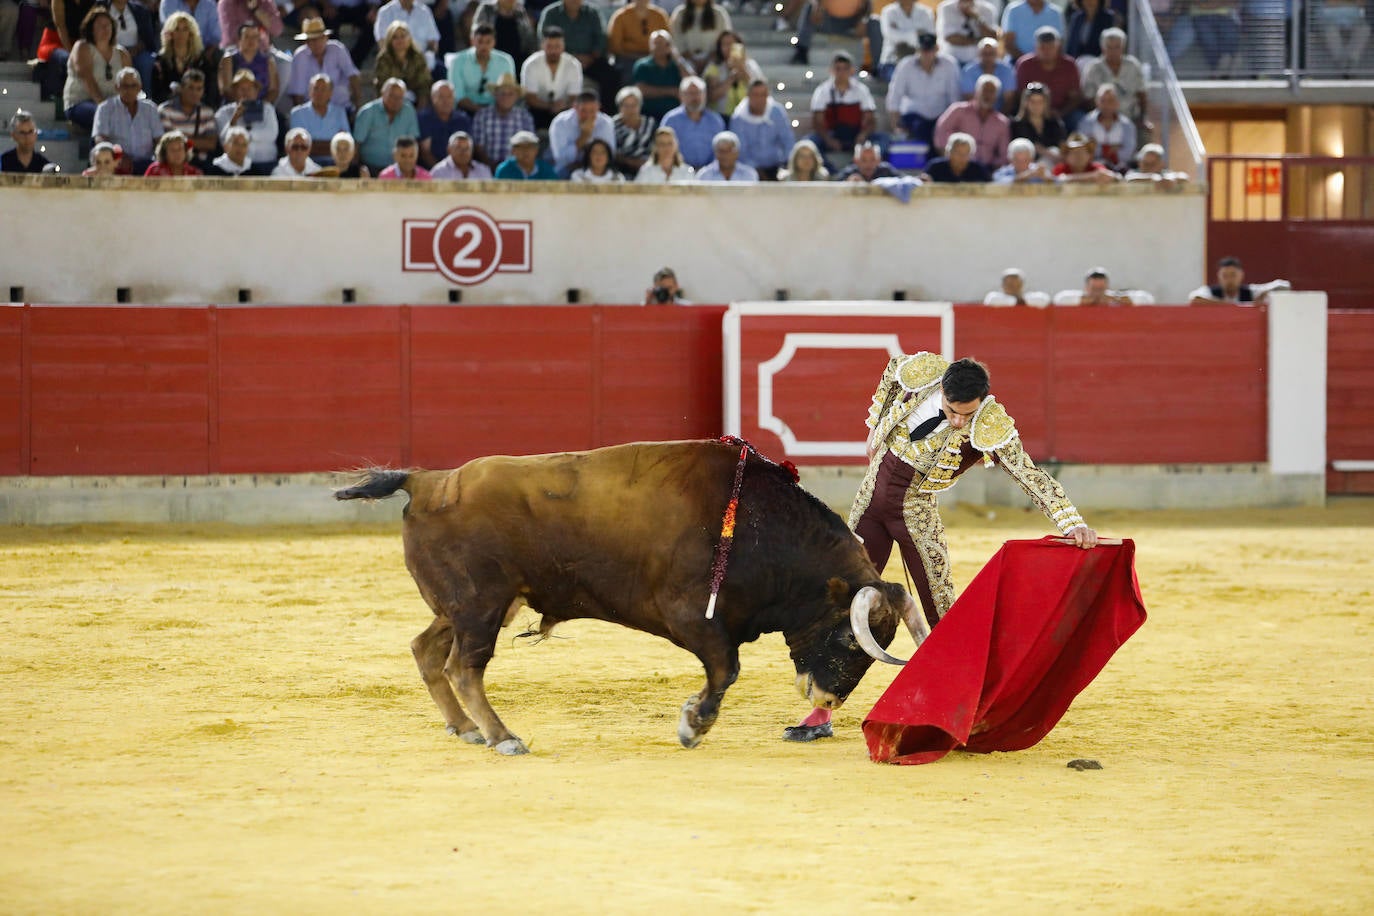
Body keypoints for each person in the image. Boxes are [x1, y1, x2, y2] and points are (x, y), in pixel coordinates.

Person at [785, 353, 1098, 742]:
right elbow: (892, 371)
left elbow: (1028, 473)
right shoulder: (922, 374)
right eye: (952, 411)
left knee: (941, 613)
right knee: (845, 605)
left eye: (968, 414)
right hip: (869, 505)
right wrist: (876, 429)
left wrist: (1072, 522)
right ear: (941, 390)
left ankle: (968, 709)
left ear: (983, 399)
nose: (959, 422)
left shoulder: (990, 424)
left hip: (915, 517)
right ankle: (821, 710)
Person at [537, 0, 618, 114]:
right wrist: (572, 58)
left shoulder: (593, 12)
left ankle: (605, 115)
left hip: (590, 60)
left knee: (610, 75)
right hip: (560, 60)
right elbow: (544, 39)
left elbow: (601, 38)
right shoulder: (551, 13)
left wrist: (591, 56)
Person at [884, 34, 959, 149]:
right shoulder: (905, 65)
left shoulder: (949, 65)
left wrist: (952, 123)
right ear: (917, 49)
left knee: (940, 132)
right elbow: (894, 97)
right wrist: (896, 126)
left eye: (930, 50)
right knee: (919, 128)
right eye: (923, 50)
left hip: (940, 116)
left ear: (937, 49)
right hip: (913, 115)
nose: (927, 54)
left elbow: (954, 98)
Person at [63, 7, 131, 131]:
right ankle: (100, 150)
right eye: (100, 26)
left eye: (108, 25)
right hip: (80, 102)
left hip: (113, 104)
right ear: (91, 29)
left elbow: (129, 82)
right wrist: (103, 105)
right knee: (103, 116)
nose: (105, 29)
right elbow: (87, 78)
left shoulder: (122, 53)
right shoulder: (82, 47)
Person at [812, 50, 880, 160]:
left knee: (882, 141)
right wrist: (829, 140)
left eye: (845, 68)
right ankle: (829, 171)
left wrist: (862, 135)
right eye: (838, 69)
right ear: (832, 70)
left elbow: (870, 119)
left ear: (851, 70)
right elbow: (817, 122)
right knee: (811, 143)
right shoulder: (822, 91)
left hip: (856, 134)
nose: (841, 73)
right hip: (832, 135)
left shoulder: (861, 90)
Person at [95, 66, 164, 173]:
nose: (129, 90)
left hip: (147, 163)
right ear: (117, 87)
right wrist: (118, 155)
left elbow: (159, 139)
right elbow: (100, 139)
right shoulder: (105, 108)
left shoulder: (150, 108)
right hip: (117, 162)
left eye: (133, 86)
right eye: (125, 86)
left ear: (140, 87)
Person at [933, 73, 1010, 169]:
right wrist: (950, 157)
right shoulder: (958, 110)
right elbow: (941, 132)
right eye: (985, 90)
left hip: (987, 169)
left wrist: (994, 167)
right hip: (958, 165)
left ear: (996, 96)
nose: (988, 95)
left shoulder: (1002, 122)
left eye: (992, 92)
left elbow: (1004, 153)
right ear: (976, 92)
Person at [1014, 26, 1083, 132]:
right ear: (1035, 47)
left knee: (1078, 119)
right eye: (1042, 47)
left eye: (1050, 47)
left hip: (1062, 112)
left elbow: (1075, 97)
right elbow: (1021, 95)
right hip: (1031, 112)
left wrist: (1060, 113)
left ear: (1058, 47)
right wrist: (1038, 112)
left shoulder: (1069, 65)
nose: (1046, 51)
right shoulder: (1025, 65)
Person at [287, 18, 361, 112]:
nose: (316, 43)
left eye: (319, 38)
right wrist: (302, 116)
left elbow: (353, 76)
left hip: (342, 108)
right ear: (306, 42)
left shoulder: (337, 49)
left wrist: (358, 106)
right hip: (313, 113)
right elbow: (297, 92)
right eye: (312, 40)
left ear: (326, 38)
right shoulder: (300, 56)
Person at [1080, 27, 1148, 129]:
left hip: (1130, 117)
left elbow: (1142, 94)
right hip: (1101, 120)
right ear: (1103, 48)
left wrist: (1142, 118)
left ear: (1123, 48)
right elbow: (1088, 99)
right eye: (1109, 47)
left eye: (1117, 47)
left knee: (1145, 133)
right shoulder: (1093, 68)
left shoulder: (1133, 65)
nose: (1113, 51)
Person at [150, 12, 221, 107]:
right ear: (170, 33)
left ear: (191, 34)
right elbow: (157, 93)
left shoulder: (201, 60)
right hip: (170, 108)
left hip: (198, 106)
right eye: (177, 29)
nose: (181, 34)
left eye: (185, 29)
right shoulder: (161, 60)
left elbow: (209, 90)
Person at [354, 77, 422, 173]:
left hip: (399, 170)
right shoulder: (367, 112)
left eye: (400, 98)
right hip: (370, 168)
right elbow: (356, 145)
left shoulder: (409, 111)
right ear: (382, 93)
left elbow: (413, 142)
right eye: (392, 96)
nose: (396, 101)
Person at [521, 26, 583, 130]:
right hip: (538, 110)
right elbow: (530, 98)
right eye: (549, 46)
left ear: (563, 46)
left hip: (565, 110)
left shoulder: (573, 65)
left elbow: (574, 97)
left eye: (557, 46)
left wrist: (563, 105)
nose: (553, 51)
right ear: (542, 46)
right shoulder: (531, 64)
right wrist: (550, 106)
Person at [728, 79, 792, 180]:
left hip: (777, 167)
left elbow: (788, 140)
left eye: (763, 95)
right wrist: (757, 172)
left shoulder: (777, 111)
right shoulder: (738, 118)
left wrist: (787, 164)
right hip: (749, 170)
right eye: (756, 95)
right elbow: (741, 152)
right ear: (748, 95)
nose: (760, 99)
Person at [214, 68, 280, 166]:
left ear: (256, 91)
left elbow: (271, 134)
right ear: (234, 92)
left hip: (265, 163)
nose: (246, 93)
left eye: (249, 89)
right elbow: (223, 140)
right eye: (242, 89)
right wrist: (234, 118)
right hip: (236, 165)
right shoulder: (223, 112)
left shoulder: (267, 109)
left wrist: (245, 136)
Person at [790, 0, 880, 69]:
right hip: (828, 21)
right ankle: (801, 51)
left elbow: (868, 6)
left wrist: (864, 19)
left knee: (875, 22)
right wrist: (817, 6)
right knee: (809, 7)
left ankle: (878, 67)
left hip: (852, 24)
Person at [660, 75, 726, 170]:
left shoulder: (715, 120)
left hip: (710, 173)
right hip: (678, 171)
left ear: (705, 95)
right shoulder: (671, 120)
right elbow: (664, 149)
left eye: (698, 93)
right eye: (690, 93)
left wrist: (707, 170)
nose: (694, 97)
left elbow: (721, 149)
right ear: (681, 95)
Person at [449, 23, 516, 114]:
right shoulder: (458, 61)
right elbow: (458, 96)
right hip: (466, 110)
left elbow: (509, 91)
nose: (484, 46)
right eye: (480, 41)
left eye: (488, 42)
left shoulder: (505, 61)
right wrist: (481, 112)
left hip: (498, 110)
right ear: (472, 41)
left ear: (494, 42)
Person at [471, 71, 535, 165]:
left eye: (510, 94)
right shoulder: (482, 115)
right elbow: (478, 148)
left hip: (517, 168)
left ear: (516, 96)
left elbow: (529, 146)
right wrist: (491, 166)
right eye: (502, 93)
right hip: (488, 167)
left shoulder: (525, 117)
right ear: (495, 94)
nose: (506, 97)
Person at [549, 88, 616, 176]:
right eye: (583, 111)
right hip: (567, 169)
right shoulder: (560, 123)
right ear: (575, 107)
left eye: (592, 111)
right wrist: (584, 136)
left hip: (597, 170)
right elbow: (561, 158)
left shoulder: (606, 123)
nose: (588, 116)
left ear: (598, 107)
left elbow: (609, 155)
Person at [632, 29, 694, 123]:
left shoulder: (678, 65)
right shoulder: (642, 65)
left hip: (677, 115)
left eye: (663, 43)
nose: (659, 47)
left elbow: (692, 81)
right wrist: (671, 91)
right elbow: (642, 90)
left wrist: (677, 58)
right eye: (655, 43)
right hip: (650, 115)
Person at [608, 0, 672, 82]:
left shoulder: (659, 15)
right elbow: (615, 46)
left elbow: (668, 41)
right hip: (628, 58)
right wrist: (636, 56)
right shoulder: (621, 16)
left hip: (655, 57)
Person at [703, 30, 763, 118]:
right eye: (725, 44)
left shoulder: (751, 65)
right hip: (722, 115)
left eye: (732, 44)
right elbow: (711, 97)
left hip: (747, 114)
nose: (729, 48)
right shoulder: (713, 68)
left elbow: (760, 90)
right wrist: (731, 78)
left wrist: (742, 70)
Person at [290, 73, 352, 159]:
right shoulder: (297, 113)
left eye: (323, 89)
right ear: (309, 91)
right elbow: (300, 146)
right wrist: (334, 146)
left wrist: (314, 144)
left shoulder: (340, 112)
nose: (319, 93)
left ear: (330, 93)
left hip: (335, 163)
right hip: (308, 164)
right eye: (315, 88)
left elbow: (346, 143)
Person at [375, 20, 433, 109]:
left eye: (403, 36)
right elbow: (382, 85)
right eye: (395, 37)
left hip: (415, 100)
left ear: (409, 39)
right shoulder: (383, 58)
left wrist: (421, 108)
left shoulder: (418, 56)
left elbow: (424, 84)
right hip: (390, 101)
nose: (400, 40)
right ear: (390, 40)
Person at [1188, 256, 1291, 305]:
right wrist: (1237, 306)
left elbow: (1284, 286)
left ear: (1241, 275)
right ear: (1218, 276)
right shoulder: (1210, 291)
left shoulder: (1250, 291)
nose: (1229, 279)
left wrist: (1265, 293)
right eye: (1225, 275)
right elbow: (1194, 300)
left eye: (1233, 275)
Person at [218, 22, 279, 105]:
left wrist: (260, 106)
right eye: (247, 37)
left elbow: (273, 90)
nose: (251, 40)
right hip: (234, 107)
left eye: (254, 37)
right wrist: (243, 106)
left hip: (261, 107)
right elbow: (225, 90)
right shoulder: (228, 60)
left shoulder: (269, 61)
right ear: (239, 40)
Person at [1078, 83, 1136, 169]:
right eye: (1102, 101)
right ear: (1096, 102)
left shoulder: (1127, 125)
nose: (1106, 105)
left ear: (1117, 103)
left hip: (1122, 167)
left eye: (1110, 101)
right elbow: (1084, 150)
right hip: (1093, 167)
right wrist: (1114, 148)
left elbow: (1128, 152)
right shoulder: (1086, 122)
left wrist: (1098, 147)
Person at [416, 81, 472, 167]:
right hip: (431, 170)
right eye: (441, 97)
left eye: (449, 96)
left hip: (458, 168)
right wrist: (442, 172)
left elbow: (467, 150)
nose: (446, 101)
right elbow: (425, 152)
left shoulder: (463, 119)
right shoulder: (424, 118)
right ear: (433, 98)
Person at [877, 0, 936, 81]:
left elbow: (930, 38)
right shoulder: (888, 12)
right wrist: (917, 34)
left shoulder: (926, 12)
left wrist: (902, 35)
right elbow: (891, 36)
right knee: (900, 81)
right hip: (892, 61)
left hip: (920, 61)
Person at [374, 0, 441, 70]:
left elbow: (433, 41)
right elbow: (382, 43)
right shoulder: (385, 12)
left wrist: (428, 57)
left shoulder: (425, 11)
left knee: (440, 70)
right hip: (395, 63)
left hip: (422, 63)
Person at [1010, 80, 1065, 163]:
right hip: (1026, 165)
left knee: (1055, 150)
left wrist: (1044, 151)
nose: (1036, 106)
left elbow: (1062, 146)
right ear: (1026, 103)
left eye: (1040, 102)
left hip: (1053, 163)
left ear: (1046, 103)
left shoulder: (1054, 123)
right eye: (1032, 101)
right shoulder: (1017, 125)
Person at [671, 0, 732, 74]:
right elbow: (677, 40)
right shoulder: (680, 13)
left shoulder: (718, 13)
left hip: (713, 58)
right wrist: (692, 59)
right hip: (687, 59)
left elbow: (725, 38)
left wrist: (708, 59)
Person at [316, 0, 380, 67]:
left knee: (373, 26)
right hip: (332, 9)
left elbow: (373, 3)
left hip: (360, 9)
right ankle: (333, 62)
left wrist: (373, 9)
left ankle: (352, 63)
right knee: (329, 27)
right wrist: (326, 5)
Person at [959, 37, 1016, 112]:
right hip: (975, 114)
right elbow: (969, 98)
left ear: (997, 54)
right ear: (978, 54)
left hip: (1001, 114)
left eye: (991, 53)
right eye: (984, 53)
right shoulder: (969, 71)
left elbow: (1009, 100)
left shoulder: (1007, 70)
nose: (988, 57)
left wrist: (998, 119)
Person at [935, 0, 998, 66]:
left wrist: (977, 18)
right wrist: (978, 40)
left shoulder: (987, 9)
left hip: (980, 64)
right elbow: (950, 38)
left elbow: (992, 38)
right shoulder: (946, 8)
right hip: (953, 63)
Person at [612, 85, 656, 178]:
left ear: (640, 106)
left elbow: (656, 149)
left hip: (648, 170)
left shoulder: (650, 124)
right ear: (619, 107)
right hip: (620, 172)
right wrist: (630, 162)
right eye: (626, 106)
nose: (630, 110)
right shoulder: (612, 125)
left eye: (634, 105)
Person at [1318, 0, 1371, 73]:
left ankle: (1351, 61)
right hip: (1330, 22)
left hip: (1354, 21)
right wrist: (1351, 3)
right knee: (1330, 30)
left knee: (1364, 29)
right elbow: (1330, 3)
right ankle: (1342, 63)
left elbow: (1361, 3)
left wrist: (1340, 3)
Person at [922, 131, 989, 182]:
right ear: (949, 153)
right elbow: (922, 182)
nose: (962, 157)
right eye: (958, 153)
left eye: (966, 154)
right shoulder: (935, 167)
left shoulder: (978, 169)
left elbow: (990, 187)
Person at [1053, 131, 1118, 183]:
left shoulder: (1096, 167)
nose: (1078, 155)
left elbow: (1109, 176)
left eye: (1082, 151)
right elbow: (1056, 180)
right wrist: (1093, 176)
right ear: (1066, 156)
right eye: (1074, 152)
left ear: (1089, 155)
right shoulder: (1060, 168)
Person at [219, 0, 286, 49]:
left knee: (286, 63)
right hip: (236, 49)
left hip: (263, 50)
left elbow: (277, 30)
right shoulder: (226, 3)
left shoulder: (266, 2)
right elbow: (231, 34)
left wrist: (256, 10)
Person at [494, 129, 559, 179]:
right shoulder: (504, 170)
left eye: (530, 146)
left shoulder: (546, 169)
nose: (525, 151)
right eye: (520, 147)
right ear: (513, 151)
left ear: (536, 150)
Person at [1053, 267, 1136, 305]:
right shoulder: (1074, 299)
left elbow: (1145, 298)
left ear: (1107, 287)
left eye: (1100, 289)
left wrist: (1115, 298)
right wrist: (1088, 300)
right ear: (1086, 287)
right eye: (1094, 289)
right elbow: (1059, 299)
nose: (1097, 293)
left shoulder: (1114, 300)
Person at [1124, 143, 1189, 185]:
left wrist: (1170, 179)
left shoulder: (1165, 174)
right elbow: (1128, 179)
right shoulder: (1134, 172)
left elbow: (1184, 177)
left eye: (1153, 164)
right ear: (1139, 163)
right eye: (1146, 163)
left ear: (1162, 164)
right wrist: (1152, 178)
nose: (1148, 167)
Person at [984, 267, 1051, 306]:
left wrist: (1020, 300)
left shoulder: (1029, 297)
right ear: (1002, 285)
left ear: (1022, 284)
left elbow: (1044, 299)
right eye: (1009, 284)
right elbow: (992, 300)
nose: (1013, 287)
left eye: (1016, 284)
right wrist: (1019, 301)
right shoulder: (995, 297)